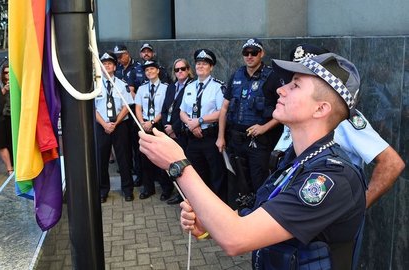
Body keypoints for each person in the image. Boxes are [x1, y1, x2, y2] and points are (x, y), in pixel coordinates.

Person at [139, 52, 366, 269]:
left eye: (295, 85)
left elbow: (236, 238)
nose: (281, 89)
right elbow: (254, 220)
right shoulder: (296, 159)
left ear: (321, 108)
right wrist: (208, 223)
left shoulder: (331, 178)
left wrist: (179, 165)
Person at [273, 44, 405, 209]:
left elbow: (392, 163)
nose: (284, 89)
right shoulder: (295, 113)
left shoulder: (342, 120)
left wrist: (354, 210)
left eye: (300, 82)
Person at [216, 38, 284, 207]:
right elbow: (224, 108)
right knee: (239, 179)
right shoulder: (236, 75)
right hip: (236, 139)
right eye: (246, 53)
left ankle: (261, 216)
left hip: (259, 142)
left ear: (262, 54)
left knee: (259, 180)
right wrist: (220, 137)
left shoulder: (272, 77)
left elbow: (284, 109)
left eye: (254, 52)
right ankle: (243, 213)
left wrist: (264, 127)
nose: (249, 56)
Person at [180, 49, 227, 202]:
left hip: (210, 138)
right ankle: (200, 206)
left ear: (211, 67)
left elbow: (221, 113)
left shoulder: (218, 87)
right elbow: (182, 112)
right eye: (198, 63)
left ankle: (218, 209)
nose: (200, 66)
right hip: (192, 139)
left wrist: (199, 121)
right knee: (196, 175)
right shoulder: (189, 87)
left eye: (204, 64)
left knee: (216, 175)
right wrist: (191, 124)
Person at [95, 52, 135, 203]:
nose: (107, 66)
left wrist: (115, 123)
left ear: (114, 66)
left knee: (124, 158)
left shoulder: (122, 84)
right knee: (101, 159)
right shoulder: (95, 85)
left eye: (110, 64)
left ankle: (127, 190)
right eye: (104, 64)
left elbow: (126, 106)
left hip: (120, 126)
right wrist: (105, 124)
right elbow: (93, 109)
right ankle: (102, 190)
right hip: (101, 126)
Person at [134, 60, 173, 200]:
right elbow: (138, 107)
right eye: (146, 70)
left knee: (162, 158)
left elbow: (165, 109)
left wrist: (152, 122)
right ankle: (148, 188)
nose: (149, 72)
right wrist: (142, 122)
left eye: (152, 69)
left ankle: (166, 189)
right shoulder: (142, 88)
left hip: (158, 125)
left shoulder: (166, 88)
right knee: (145, 158)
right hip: (144, 125)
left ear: (157, 71)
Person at [161, 58, 194, 205]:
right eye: (177, 69)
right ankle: (170, 190)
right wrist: (166, 126)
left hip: (181, 131)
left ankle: (183, 196)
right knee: (169, 162)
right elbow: (164, 109)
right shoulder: (171, 87)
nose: (180, 72)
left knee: (182, 165)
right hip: (168, 130)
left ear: (188, 70)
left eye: (183, 69)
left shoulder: (192, 86)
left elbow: (186, 111)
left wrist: (174, 128)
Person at [114, 44, 145, 187]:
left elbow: (143, 91)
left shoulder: (138, 68)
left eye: (121, 55)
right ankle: (128, 170)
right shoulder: (118, 69)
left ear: (127, 53)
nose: (119, 59)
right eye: (117, 57)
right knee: (124, 146)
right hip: (121, 114)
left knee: (136, 145)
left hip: (136, 112)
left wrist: (131, 90)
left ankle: (140, 175)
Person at [0, 64, 13, 165]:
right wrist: (4, 89)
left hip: (15, 113)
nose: (7, 74)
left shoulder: (16, 81)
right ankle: (10, 160)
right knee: (7, 139)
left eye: (9, 72)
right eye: (5, 72)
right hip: (4, 114)